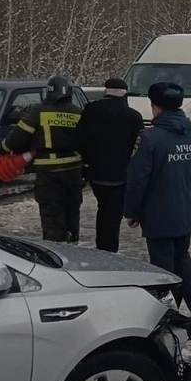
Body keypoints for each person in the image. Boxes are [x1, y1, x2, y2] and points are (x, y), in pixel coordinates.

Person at [124, 82, 191, 319]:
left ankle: (167, 312)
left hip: (158, 213)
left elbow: (137, 181)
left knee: (162, 267)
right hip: (185, 211)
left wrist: (133, 212)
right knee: (182, 257)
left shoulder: (149, 140)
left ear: (156, 108)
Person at [0, 74, 82, 243]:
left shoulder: (38, 112)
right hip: (74, 170)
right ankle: (73, 245)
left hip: (49, 172)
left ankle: (55, 254)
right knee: (72, 210)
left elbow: (17, 139)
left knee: (52, 214)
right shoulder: (78, 112)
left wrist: (1, 150)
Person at [75, 78, 144, 253]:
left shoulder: (90, 110)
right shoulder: (133, 116)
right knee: (113, 214)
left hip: (97, 174)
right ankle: (109, 250)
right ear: (124, 94)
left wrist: (88, 161)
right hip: (121, 175)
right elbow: (139, 148)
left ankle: (102, 247)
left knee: (103, 209)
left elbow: (79, 139)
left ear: (106, 92)